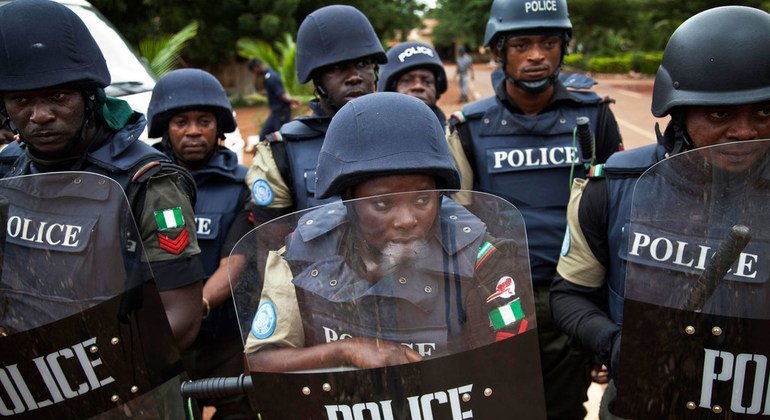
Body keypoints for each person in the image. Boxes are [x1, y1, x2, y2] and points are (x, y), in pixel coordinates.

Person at [549, 5, 770, 418]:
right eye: (720, 113)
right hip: (642, 401)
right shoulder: (613, 188)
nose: (745, 131)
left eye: (765, 112)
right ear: (679, 112)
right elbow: (571, 294)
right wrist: (613, 343)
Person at [243, 92, 534, 374]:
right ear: (349, 201)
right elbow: (260, 362)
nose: (407, 220)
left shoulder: (483, 261)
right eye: (382, 203)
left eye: (422, 200)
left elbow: (508, 374)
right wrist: (345, 350)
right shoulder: (302, 253)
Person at [446, 0, 623, 418]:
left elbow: (614, 215)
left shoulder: (595, 116)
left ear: (564, 48)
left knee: (563, 408)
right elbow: (454, 221)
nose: (537, 55)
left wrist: (607, 317)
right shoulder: (468, 127)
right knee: (501, 407)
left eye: (549, 42)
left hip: (576, 297)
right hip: (498, 295)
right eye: (522, 44)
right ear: (498, 52)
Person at [0, 0, 204, 350]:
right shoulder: (8, 170)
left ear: (90, 96)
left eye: (57, 96)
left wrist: (92, 368)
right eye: (21, 101)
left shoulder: (151, 183)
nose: (40, 115)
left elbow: (182, 315)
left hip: (121, 387)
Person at [147, 68, 253, 418]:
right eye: (181, 121)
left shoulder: (240, 186)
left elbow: (234, 261)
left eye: (204, 120)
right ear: (165, 127)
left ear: (218, 127)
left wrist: (197, 306)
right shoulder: (144, 185)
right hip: (162, 341)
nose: (193, 130)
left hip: (223, 339)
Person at [244, 4, 386, 225]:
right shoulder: (281, 152)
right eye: (337, 68)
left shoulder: (404, 132)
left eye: (363, 64)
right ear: (317, 80)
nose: (354, 77)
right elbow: (273, 248)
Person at [378, 41, 449, 126]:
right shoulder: (376, 131)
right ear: (390, 89)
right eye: (406, 81)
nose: (418, 86)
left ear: (436, 89)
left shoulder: (452, 134)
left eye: (427, 82)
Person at [247, 58, 299, 140]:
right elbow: (277, 92)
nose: (254, 74)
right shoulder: (267, 76)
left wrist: (293, 100)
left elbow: (282, 94)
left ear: (256, 67)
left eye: (253, 71)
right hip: (276, 113)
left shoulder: (271, 77)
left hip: (281, 112)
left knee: (281, 137)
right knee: (264, 136)